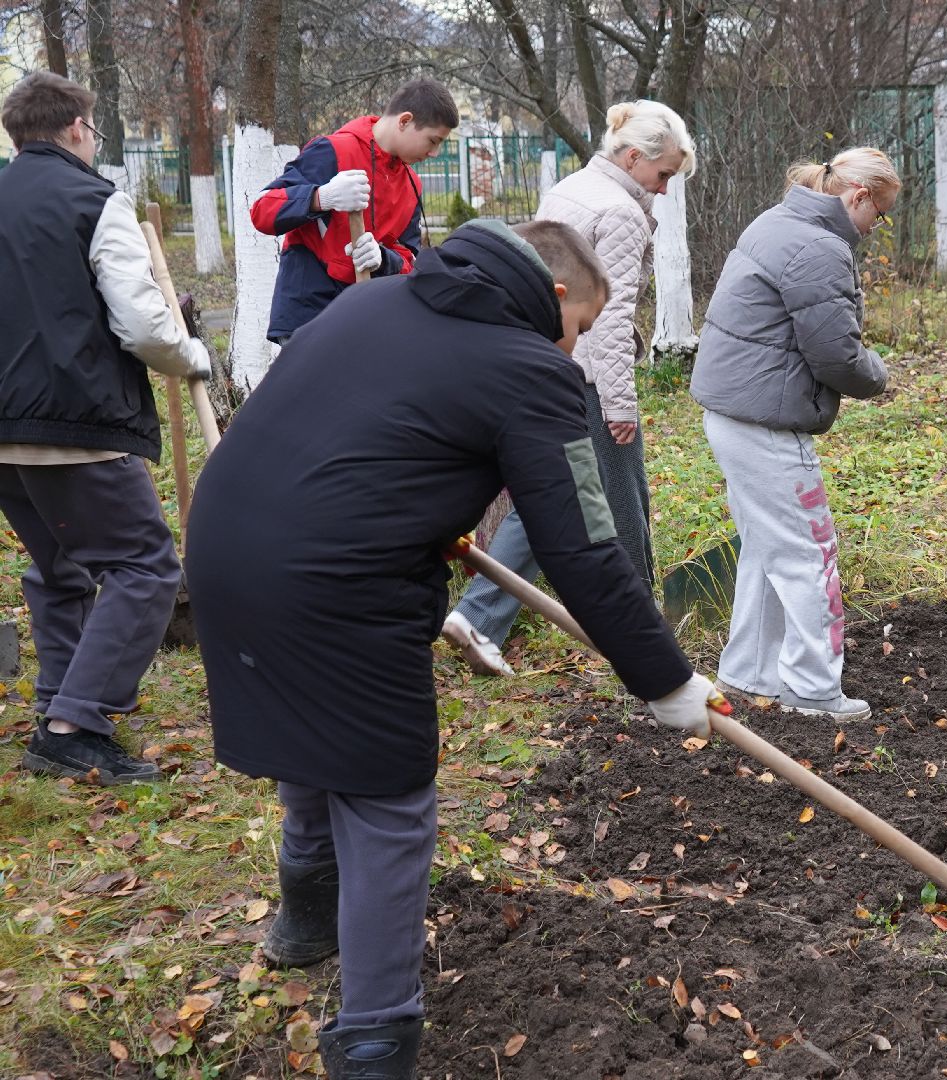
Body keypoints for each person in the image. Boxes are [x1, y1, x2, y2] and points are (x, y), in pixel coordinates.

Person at [184, 218, 721, 1079]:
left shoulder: (373, 303)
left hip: (226, 547)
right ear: (550, 300)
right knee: (389, 804)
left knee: (317, 745)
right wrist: (665, 679)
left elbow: (364, 442)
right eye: (578, 327)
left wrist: (418, 513)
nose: (572, 348)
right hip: (333, 584)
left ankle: (305, 924)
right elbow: (584, 547)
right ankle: (376, 1042)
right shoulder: (528, 367)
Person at [0, 72, 213, 785]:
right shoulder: (96, 201)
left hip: (3, 429)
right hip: (74, 420)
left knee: (60, 569)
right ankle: (74, 725)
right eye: (91, 128)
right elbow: (144, 326)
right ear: (73, 130)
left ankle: (58, 706)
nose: (93, 139)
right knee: (146, 566)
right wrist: (191, 355)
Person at [442, 99, 695, 676]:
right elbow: (608, 316)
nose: (661, 190)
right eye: (662, 176)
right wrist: (619, 404)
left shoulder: (572, 187)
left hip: (537, 363)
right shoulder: (624, 215)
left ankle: (479, 613)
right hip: (584, 378)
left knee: (550, 495)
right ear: (634, 157)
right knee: (613, 499)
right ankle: (640, 633)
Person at [688, 147, 895, 722]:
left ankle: (751, 670)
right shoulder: (820, 247)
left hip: (733, 411)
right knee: (811, 552)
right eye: (878, 214)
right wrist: (879, 375)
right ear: (857, 197)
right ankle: (812, 685)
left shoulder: (778, 219)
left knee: (766, 546)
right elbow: (835, 355)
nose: (875, 228)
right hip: (767, 421)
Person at [250, 78, 459, 343]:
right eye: (433, 140)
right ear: (405, 121)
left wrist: (383, 259)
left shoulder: (411, 185)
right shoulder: (333, 151)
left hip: (365, 320)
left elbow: (409, 259)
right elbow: (262, 210)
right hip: (308, 318)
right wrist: (321, 197)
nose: (435, 153)